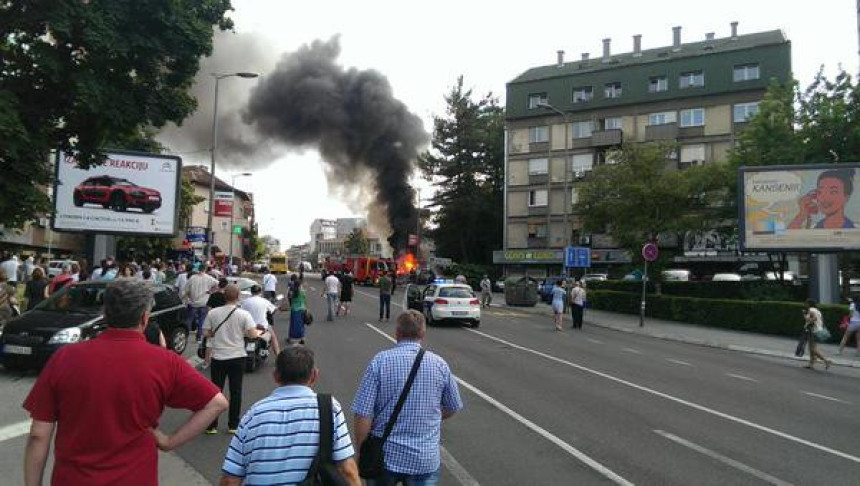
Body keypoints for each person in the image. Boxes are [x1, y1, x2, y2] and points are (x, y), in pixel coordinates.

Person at [22, 278, 228, 486]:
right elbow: (217, 403)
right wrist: (168, 442)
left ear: (106, 315)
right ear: (145, 318)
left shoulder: (65, 357)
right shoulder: (164, 361)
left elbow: (39, 435)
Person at [219, 346, 361, 486]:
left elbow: (230, 479)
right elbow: (347, 469)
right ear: (314, 375)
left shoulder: (254, 414)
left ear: (276, 376)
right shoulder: (329, 408)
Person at [352, 310, 463, 485]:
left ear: (397, 333)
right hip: (424, 459)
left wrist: (360, 451)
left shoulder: (380, 361)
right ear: (423, 333)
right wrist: (430, 416)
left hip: (385, 457)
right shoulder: (439, 364)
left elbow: (363, 414)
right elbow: (453, 406)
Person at [202, 284, 259, 434]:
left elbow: (206, 333)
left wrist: (216, 334)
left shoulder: (213, 313)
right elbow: (253, 335)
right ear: (238, 296)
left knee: (215, 391)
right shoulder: (244, 314)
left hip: (218, 356)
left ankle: (211, 425)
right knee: (236, 391)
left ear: (223, 296)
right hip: (237, 356)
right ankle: (233, 425)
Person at [789, 168, 856, 229]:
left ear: (846, 197)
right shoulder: (813, 228)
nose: (825, 198)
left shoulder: (855, 229)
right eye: (820, 192)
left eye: (833, 192)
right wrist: (802, 214)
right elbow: (786, 239)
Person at [241, 285, 281, 356]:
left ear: (251, 292)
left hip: (248, 327)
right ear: (260, 292)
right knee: (273, 337)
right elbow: (273, 310)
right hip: (262, 327)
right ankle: (278, 356)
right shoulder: (264, 301)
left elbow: (241, 312)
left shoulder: (245, 301)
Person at [184, 264, 218, 343]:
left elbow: (186, 290)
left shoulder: (192, 278)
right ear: (205, 269)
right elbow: (218, 284)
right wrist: (211, 291)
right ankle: (198, 338)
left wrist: (188, 297)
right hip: (204, 303)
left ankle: (185, 336)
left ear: (198, 269)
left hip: (193, 303)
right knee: (201, 321)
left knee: (189, 320)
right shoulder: (209, 278)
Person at [803, 299, 833, 370]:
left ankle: (826, 361)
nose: (805, 305)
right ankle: (811, 364)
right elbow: (820, 320)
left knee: (812, 349)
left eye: (806, 303)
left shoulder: (811, 310)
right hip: (818, 329)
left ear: (809, 304)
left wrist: (804, 315)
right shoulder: (818, 310)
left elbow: (813, 319)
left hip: (813, 331)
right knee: (811, 348)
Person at [287, 279, 308, 345]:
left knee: (292, 324)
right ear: (300, 285)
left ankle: (290, 338)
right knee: (301, 324)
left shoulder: (292, 292)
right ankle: (302, 338)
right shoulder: (302, 292)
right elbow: (305, 301)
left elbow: (289, 299)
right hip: (301, 309)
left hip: (294, 310)